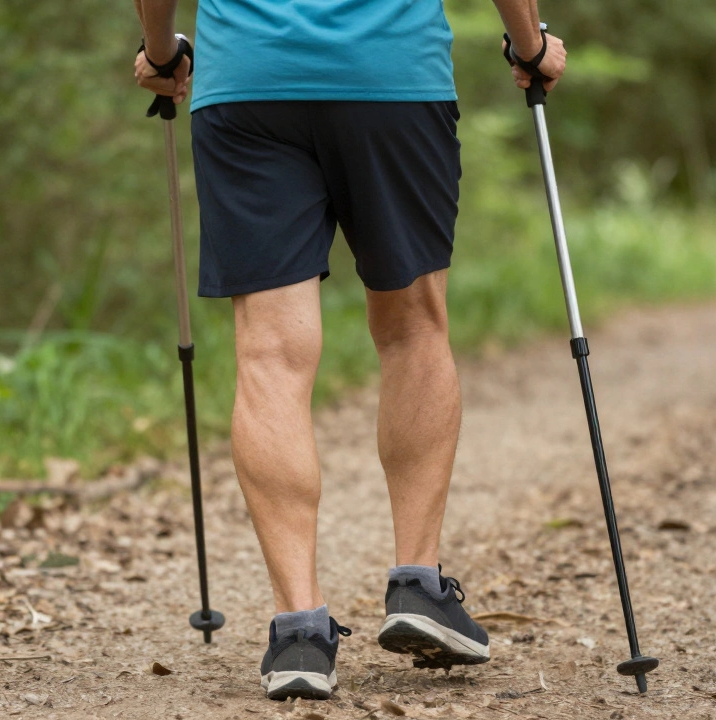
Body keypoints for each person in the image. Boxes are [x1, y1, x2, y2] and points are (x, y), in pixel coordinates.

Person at [132, 0, 566, 702]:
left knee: (270, 353)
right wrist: (529, 42)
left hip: (250, 83)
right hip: (391, 76)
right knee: (415, 328)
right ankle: (417, 584)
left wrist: (160, 53)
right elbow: (525, 37)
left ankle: (299, 630)